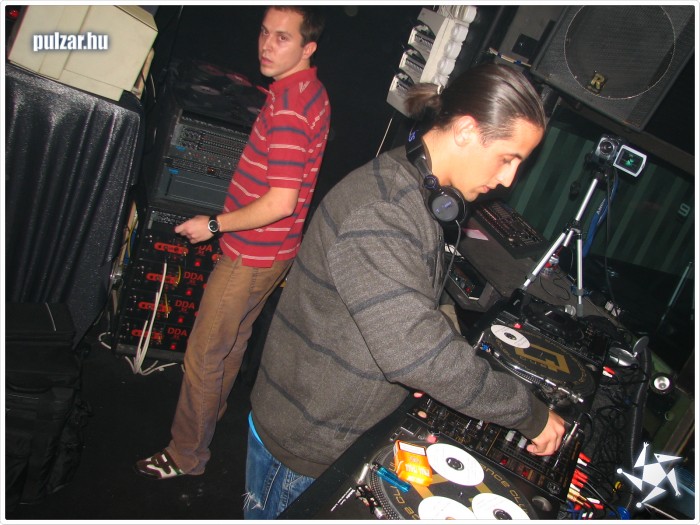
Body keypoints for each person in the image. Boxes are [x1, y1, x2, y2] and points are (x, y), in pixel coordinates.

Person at [243, 63, 567, 519]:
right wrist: (528, 414)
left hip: (330, 423)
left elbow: (416, 298)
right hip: (307, 443)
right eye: (507, 158)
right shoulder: (383, 211)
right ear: (466, 131)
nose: (509, 179)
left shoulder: (414, 184)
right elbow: (416, 353)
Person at [135, 5, 330, 480]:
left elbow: (280, 201)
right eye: (264, 32)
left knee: (203, 354)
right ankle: (208, 418)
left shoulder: (289, 108)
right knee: (232, 342)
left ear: (308, 47)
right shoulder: (310, 91)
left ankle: (186, 455)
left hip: (251, 254)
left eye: (282, 38)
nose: (266, 45)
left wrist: (214, 224)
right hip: (277, 252)